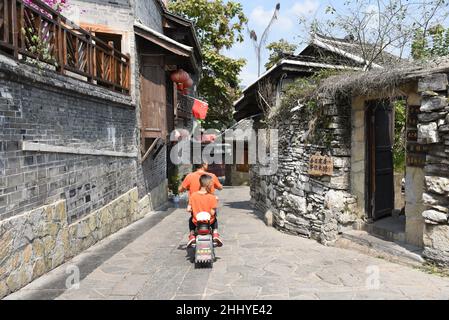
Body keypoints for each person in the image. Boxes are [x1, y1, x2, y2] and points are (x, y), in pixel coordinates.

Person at [187, 174, 223, 248]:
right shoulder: (212, 197)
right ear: (208, 184)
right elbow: (212, 213)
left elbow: (188, 209)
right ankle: (215, 234)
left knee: (191, 219)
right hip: (209, 222)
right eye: (211, 184)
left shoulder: (193, 196)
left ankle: (192, 235)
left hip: (196, 222)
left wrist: (194, 208)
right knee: (215, 218)